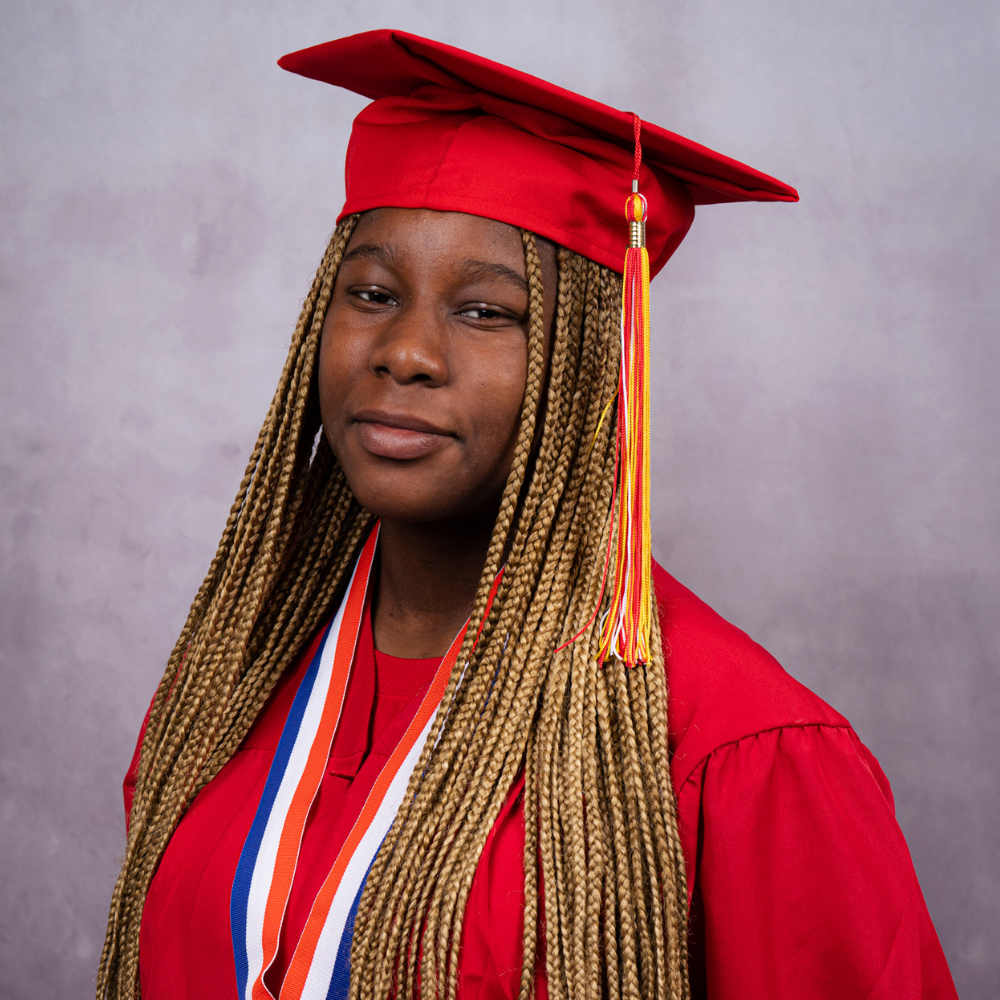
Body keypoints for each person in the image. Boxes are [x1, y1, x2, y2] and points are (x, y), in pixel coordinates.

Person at [98, 28, 958, 1000]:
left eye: (485, 312)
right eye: (370, 293)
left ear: (589, 365)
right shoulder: (230, 679)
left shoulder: (734, 747)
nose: (405, 352)